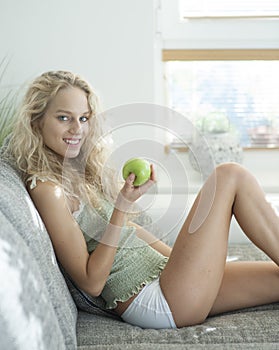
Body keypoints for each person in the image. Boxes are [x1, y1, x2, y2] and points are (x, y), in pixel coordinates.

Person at [4, 70, 279, 329]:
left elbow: (129, 231)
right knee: (229, 175)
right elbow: (91, 282)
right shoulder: (47, 189)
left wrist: (184, 260)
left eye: (84, 118)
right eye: (64, 118)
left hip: (168, 278)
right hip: (158, 300)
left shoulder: (77, 171)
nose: (77, 128)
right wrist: (121, 207)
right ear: (36, 121)